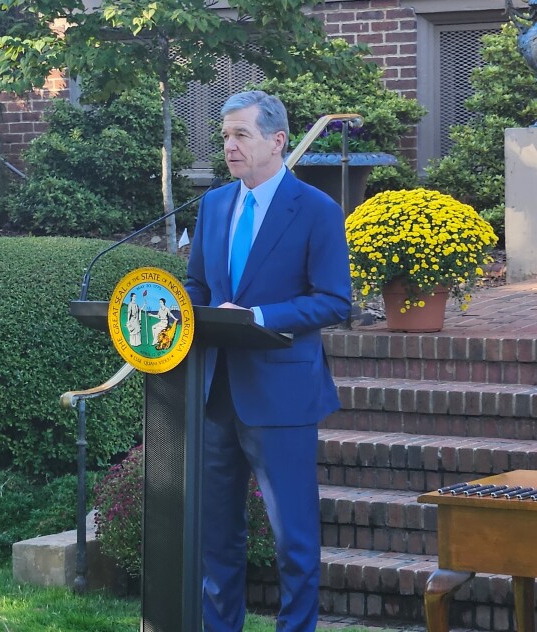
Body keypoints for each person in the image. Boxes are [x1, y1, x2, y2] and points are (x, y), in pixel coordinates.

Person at [185, 91, 351, 631]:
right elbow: (199, 285)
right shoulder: (213, 205)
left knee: (293, 541)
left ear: (277, 141)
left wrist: (257, 315)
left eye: (241, 136)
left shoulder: (318, 210)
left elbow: (334, 300)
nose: (229, 147)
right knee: (217, 539)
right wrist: (171, 310)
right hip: (214, 394)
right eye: (225, 136)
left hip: (282, 398)